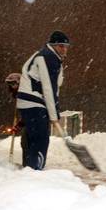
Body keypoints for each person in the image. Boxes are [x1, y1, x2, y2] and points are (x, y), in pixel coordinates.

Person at [16, 31, 70, 170]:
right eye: (60, 46)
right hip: (34, 102)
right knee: (41, 139)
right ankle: (35, 170)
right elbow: (48, 88)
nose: (64, 49)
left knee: (32, 137)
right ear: (53, 45)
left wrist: (53, 113)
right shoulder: (49, 57)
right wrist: (54, 115)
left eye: (66, 46)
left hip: (29, 102)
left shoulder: (45, 55)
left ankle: (29, 168)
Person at [5, 72, 28, 166]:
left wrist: (20, 124)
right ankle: (27, 165)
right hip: (29, 121)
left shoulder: (25, 94)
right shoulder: (18, 95)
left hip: (34, 122)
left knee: (27, 143)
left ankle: (29, 166)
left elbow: (27, 114)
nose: (12, 86)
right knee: (25, 143)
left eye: (14, 83)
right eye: (10, 84)